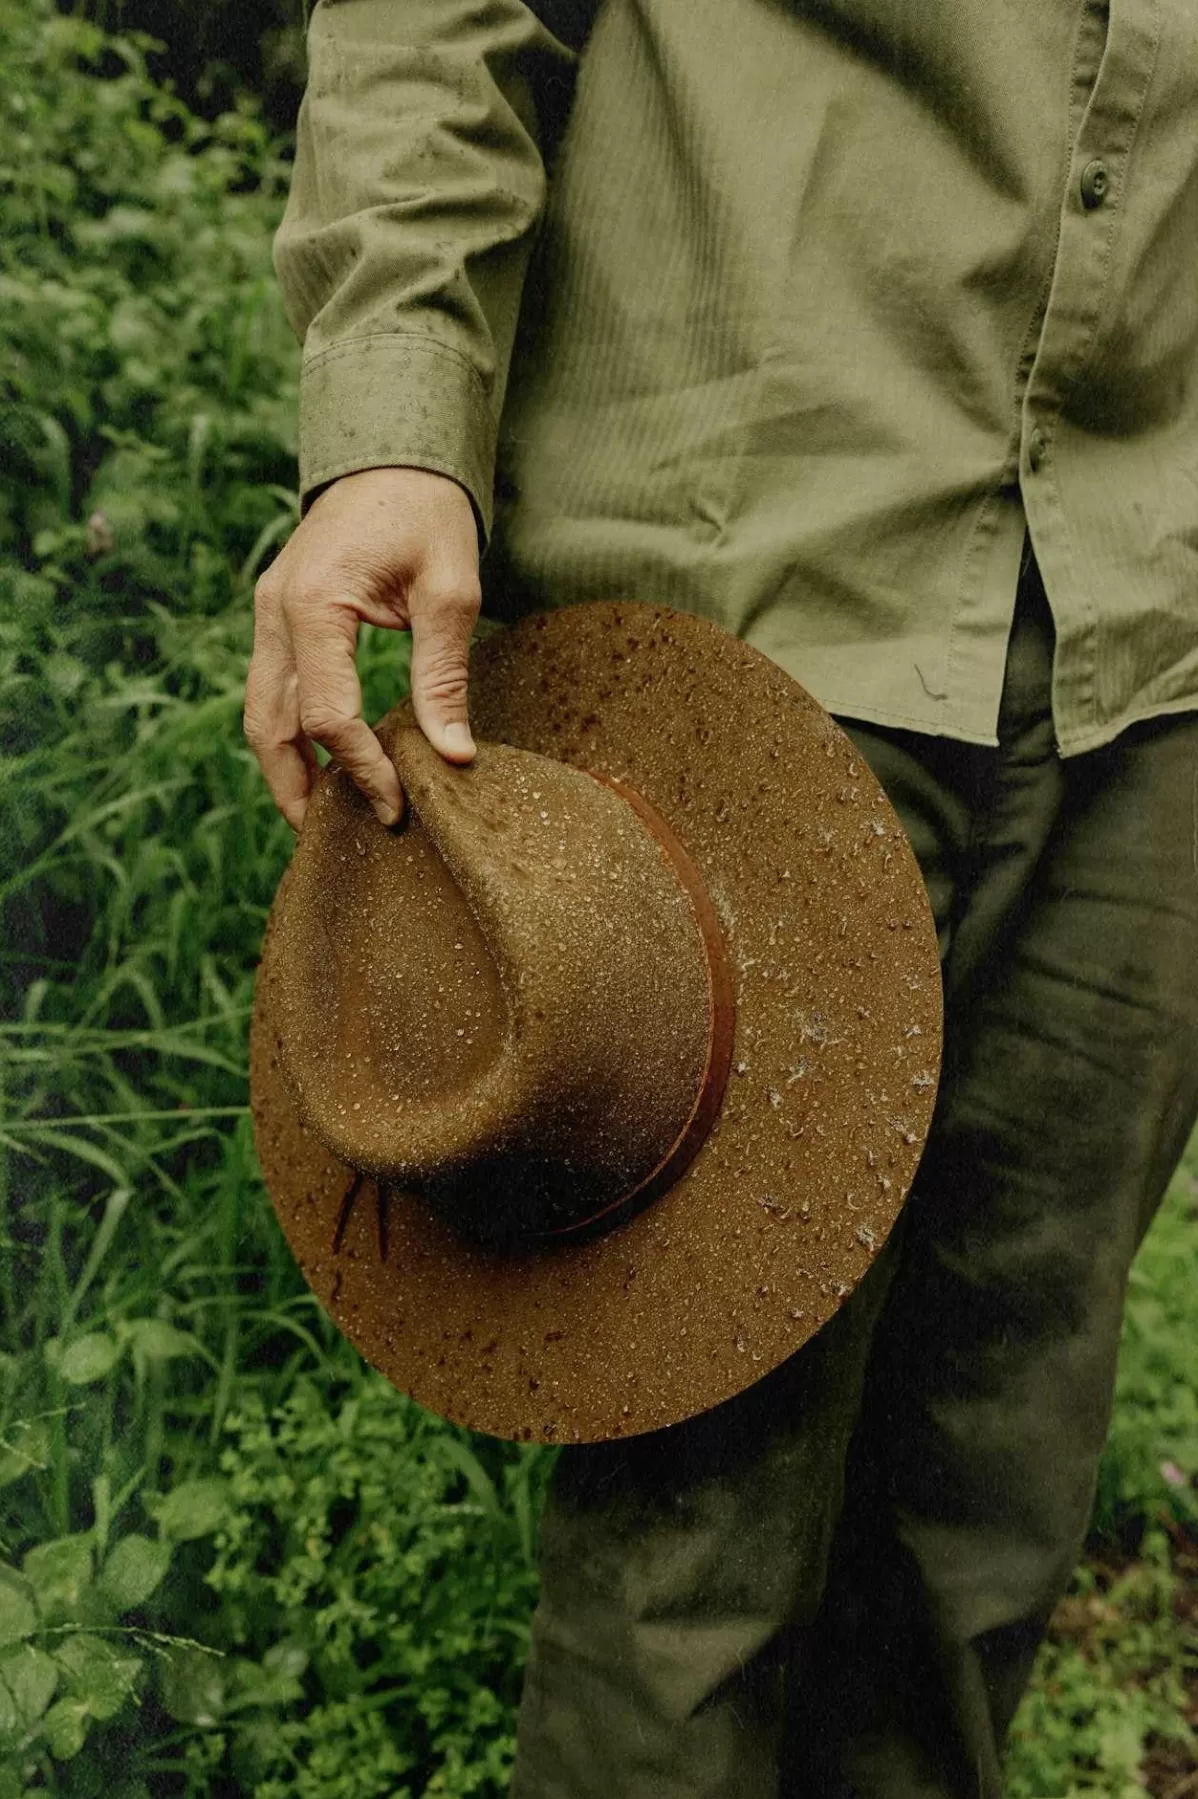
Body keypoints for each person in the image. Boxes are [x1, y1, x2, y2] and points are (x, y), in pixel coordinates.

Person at [242, 3, 1198, 1793]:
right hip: (758, 588)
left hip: (1153, 646)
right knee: (693, 1548)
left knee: (983, 1521)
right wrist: (392, 426)